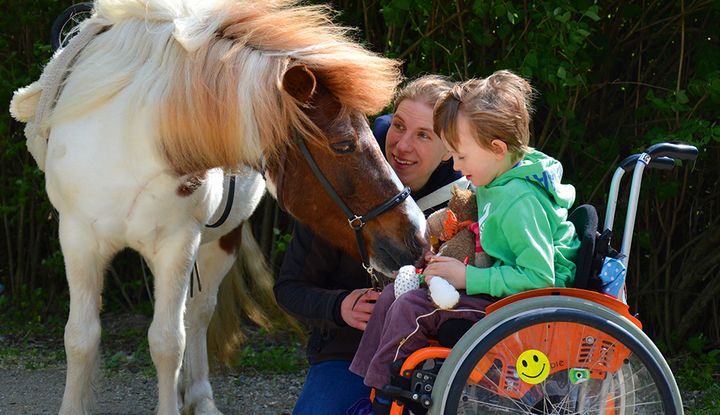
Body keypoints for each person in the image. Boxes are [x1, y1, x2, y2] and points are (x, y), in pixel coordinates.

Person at [349, 70, 581, 414]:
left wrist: (466, 277)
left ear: (497, 148)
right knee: (390, 297)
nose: (456, 165)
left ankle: (387, 401)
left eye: (461, 156)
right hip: (501, 290)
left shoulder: (519, 200)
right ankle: (369, 390)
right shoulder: (496, 177)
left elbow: (540, 279)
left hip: (530, 308)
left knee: (413, 309)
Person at [274, 75, 470, 415]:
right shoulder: (340, 183)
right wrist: (339, 306)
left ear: (448, 151)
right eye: (398, 126)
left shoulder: (466, 204)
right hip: (348, 354)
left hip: (433, 358)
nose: (402, 146)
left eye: (424, 135)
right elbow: (289, 288)